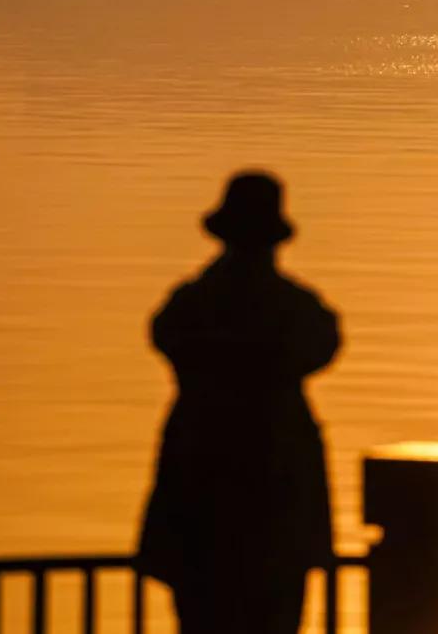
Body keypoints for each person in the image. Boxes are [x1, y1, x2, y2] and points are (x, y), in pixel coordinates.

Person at [138, 172, 341, 634]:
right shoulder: (295, 311)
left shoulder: (192, 306)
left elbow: (165, 333)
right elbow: (323, 343)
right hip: (272, 512)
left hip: (202, 512)